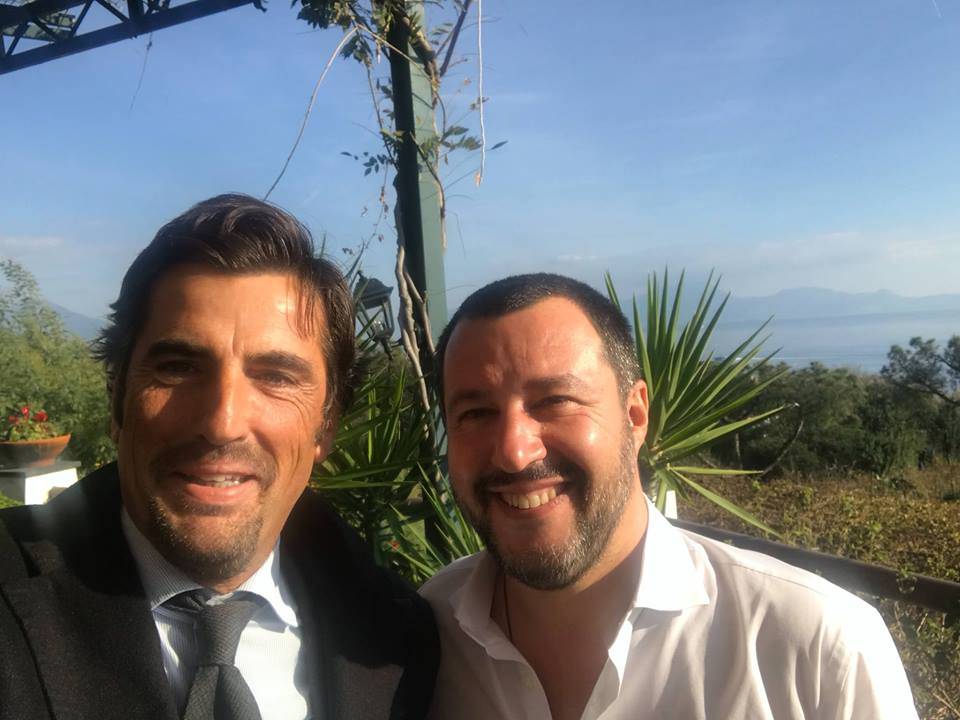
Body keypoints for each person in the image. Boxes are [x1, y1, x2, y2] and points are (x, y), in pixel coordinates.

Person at [0, 194, 438, 720]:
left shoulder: (398, 636)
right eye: (179, 367)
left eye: (276, 377)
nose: (222, 422)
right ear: (116, 400)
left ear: (326, 426)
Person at [420, 273, 918, 720]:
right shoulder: (422, 635)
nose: (513, 452)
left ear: (635, 416)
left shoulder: (815, 648)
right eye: (475, 414)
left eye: (555, 401)